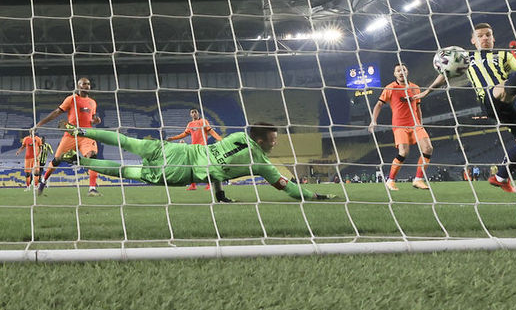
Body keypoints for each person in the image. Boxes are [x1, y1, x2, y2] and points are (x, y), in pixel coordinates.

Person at [416, 23, 516, 193]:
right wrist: (427, 91)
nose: (484, 38)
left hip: (513, 102)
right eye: (480, 36)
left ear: (493, 38)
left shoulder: (504, 55)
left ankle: (500, 178)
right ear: (473, 40)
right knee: (502, 89)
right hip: (489, 99)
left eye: (488, 34)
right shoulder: (466, 57)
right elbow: (445, 74)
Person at [59, 121, 335, 202]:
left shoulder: (237, 135)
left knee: (128, 142)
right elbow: (289, 188)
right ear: (261, 140)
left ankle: (80, 131)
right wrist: (315, 196)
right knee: (126, 170)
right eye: (273, 139)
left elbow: (220, 163)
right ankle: (78, 160)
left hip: (178, 151)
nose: (275, 143)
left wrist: (220, 193)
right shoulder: (262, 163)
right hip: (182, 171)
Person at [33, 77, 102, 196]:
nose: (87, 86)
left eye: (88, 84)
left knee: (92, 157)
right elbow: (57, 112)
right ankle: (43, 182)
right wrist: (40, 123)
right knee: (56, 160)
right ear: (78, 86)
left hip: (87, 134)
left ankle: (92, 188)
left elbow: (91, 118)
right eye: (84, 84)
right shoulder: (71, 99)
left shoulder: (92, 102)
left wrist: (95, 121)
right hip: (71, 135)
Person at [368, 63, 433, 191]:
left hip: (415, 124)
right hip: (399, 125)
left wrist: (420, 123)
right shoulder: (390, 88)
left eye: (403, 69)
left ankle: (418, 179)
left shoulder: (415, 87)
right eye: (398, 70)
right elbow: (379, 105)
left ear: (407, 72)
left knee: (428, 148)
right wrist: (373, 121)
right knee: (403, 152)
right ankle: (390, 181)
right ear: (395, 74)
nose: (401, 72)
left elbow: (418, 107)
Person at [166, 108, 222, 191]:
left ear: (198, 113)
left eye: (195, 112)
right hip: (193, 148)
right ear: (190, 114)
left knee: (205, 166)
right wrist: (173, 138)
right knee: (191, 167)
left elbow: (211, 131)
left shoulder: (203, 121)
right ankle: (193, 185)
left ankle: (209, 185)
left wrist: (220, 139)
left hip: (202, 147)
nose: (194, 113)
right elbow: (184, 134)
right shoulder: (190, 124)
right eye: (192, 112)